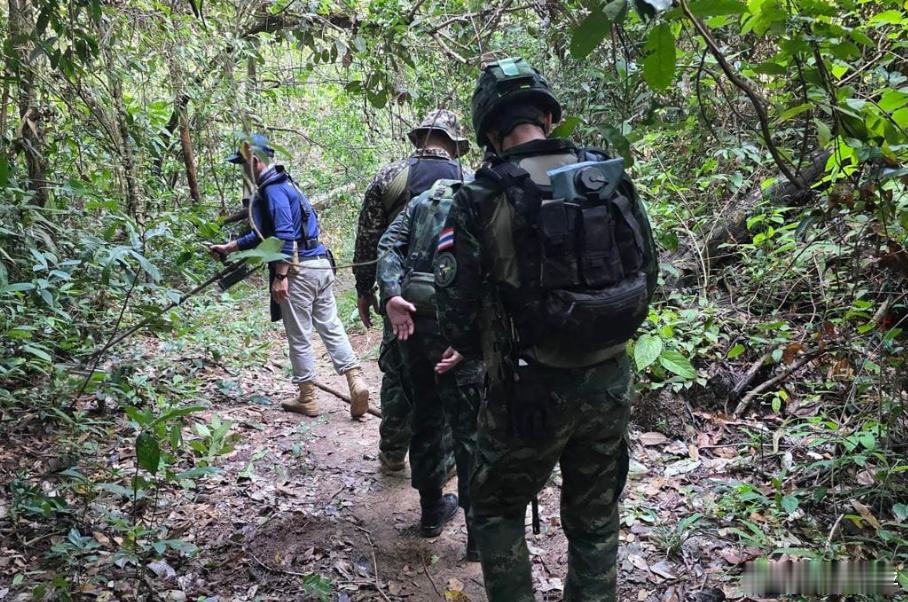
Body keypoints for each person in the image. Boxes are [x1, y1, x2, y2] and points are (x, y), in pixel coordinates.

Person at [434, 58, 659, 601]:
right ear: (549, 117)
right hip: (609, 378)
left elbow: (456, 313)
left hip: (526, 389)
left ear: (490, 131)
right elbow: (648, 273)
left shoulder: (478, 197)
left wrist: (483, 345)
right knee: (597, 517)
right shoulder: (606, 177)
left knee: (495, 509)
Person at [209, 134, 369, 418]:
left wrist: (280, 276)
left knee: (299, 335)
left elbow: (284, 233)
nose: (242, 171)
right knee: (331, 325)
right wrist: (232, 246)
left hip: (298, 271)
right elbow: (266, 232)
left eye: (243, 165)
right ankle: (356, 380)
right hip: (320, 264)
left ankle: (307, 398)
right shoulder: (285, 184)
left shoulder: (272, 191)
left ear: (255, 161)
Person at [353, 110, 470, 473]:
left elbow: (370, 238)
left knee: (398, 370)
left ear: (418, 139)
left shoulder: (390, 176)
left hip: (399, 296)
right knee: (449, 373)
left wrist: (366, 289)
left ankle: (392, 451)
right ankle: (444, 463)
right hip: (452, 296)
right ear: (454, 144)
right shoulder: (471, 179)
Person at [376, 178, 482, 556]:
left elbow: (388, 246)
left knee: (425, 416)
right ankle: (477, 538)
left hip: (413, 323)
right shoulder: (475, 200)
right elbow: (492, 268)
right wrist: (473, 334)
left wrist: (391, 294)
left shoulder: (419, 202)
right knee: (469, 431)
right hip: (456, 327)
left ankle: (431, 513)